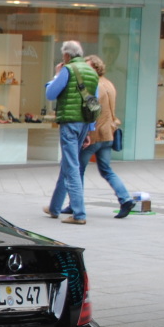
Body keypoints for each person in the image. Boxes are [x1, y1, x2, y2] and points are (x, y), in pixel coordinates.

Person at [50, 55, 135, 220]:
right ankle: (125, 198)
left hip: (95, 135)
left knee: (76, 169)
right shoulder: (109, 84)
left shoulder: (95, 85)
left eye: (87, 66)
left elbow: (93, 110)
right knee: (106, 170)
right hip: (108, 133)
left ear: (95, 68)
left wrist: (88, 131)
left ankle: (75, 206)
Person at [42, 40, 98, 224]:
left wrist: (56, 75)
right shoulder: (91, 71)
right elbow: (93, 101)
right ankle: (55, 207)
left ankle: (79, 213)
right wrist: (90, 129)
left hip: (70, 122)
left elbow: (51, 94)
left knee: (72, 165)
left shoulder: (68, 69)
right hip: (84, 121)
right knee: (68, 163)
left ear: (67, 55)